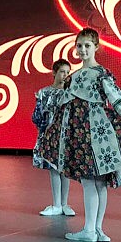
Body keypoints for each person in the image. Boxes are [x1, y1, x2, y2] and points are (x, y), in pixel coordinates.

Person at [40, 28, 121, 242]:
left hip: (96, 132)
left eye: (87, 45)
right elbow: (64, 104)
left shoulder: (100, 74)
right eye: (79, 46)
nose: (83, 50)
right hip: (82, 133)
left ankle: (93, 229)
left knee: (95, 181)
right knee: (95, 182)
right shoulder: (74, 77)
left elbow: (115, 97)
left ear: (96, 47)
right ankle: (94, 229)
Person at [34, 59, 74, 217]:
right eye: (62, 71)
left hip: (66, 135)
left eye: (67, 72)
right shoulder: (44, 92)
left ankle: (64, 204)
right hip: (50, 134)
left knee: (65, 169)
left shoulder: (70, 93)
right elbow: (37, 116)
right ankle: (56, 204)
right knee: (54, 168)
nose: (65, 75)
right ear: (54, 73)